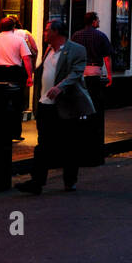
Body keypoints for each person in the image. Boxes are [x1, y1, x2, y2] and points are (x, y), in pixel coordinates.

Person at [18, 19, 96, 194]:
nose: (44, 33)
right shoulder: (48, 50)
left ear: (56, 32)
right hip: (46, 104)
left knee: (69, 145)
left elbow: (76, 73)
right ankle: (37, 182)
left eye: (47, 30)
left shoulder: (76, 50)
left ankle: (70, 181)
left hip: (66, 105)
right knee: (42, 144)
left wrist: (60, 87)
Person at [71, 11, 113, 164]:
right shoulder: (100, 36)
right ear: (94, 22)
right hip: (95, 71)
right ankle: (93, 142)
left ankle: (81, 139)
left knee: (81, 106)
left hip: (80, 72)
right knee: (94, 106)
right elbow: (107, 57)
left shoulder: (76, 36)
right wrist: (109, 75)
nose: (98, 22)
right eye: (98, 20)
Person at [0, 17, 34, 141]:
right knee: (17, 104)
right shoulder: (19, 40)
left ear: (0, 27)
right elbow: (26, 59)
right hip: (14, 72)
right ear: (13, 27)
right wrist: (29, 76)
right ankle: (15, 133)